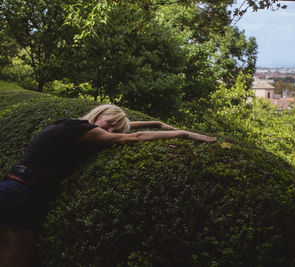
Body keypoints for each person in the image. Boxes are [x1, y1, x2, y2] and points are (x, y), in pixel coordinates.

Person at [0, 104, 216, 267]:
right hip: (22, 195)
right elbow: (135, 137)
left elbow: (128, 128)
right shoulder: (88, 131)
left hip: (11, 187)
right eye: (110, 124)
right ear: (100, 114)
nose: (111, 131)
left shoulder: (71, 124)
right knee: (19, 259)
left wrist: (157, 124)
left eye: (115, 128)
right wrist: (183, 133)